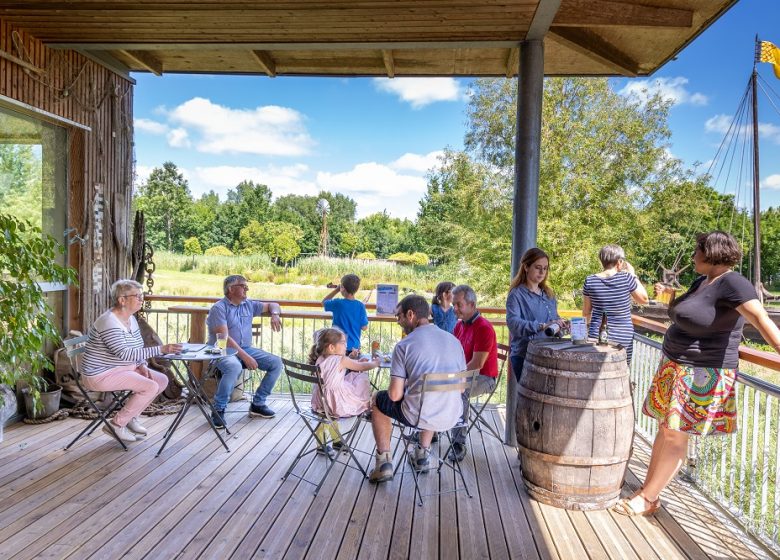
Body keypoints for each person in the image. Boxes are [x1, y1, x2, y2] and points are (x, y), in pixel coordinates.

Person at [613, 231, 780, 516]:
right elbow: (691, 314)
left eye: (696, 251)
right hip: (676, 366)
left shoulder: (733, 283)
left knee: (677, 435)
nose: (692, 257)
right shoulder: (703, 281)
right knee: (666, 431)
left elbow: (760, 319)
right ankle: (646, 492)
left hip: (702, 373)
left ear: (711, 252)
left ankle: (648, 498)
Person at [368, 295, 467, 483]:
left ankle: (384, 464)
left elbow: (395, 396)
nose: (398, 321)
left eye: (399, 316)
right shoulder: (453, 341)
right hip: (452, 415)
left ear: (411, 314)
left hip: (419, 415)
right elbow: (461, 389)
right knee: (428, 397)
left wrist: (404, 386)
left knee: (378, 399)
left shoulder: (404, 345)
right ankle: (422, 455)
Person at [81, 279, 182, 443]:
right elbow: (124, 354)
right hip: (100, 375)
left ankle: (131, 417)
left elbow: (137, 346)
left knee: (161, 380)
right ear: (122, 300)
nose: (142, 299)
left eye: (142, 295)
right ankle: (116, 425)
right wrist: (161, 349)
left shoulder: (131, 319)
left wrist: (141, 364)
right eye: (137, 296)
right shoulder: (109, 321)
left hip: (121, 368)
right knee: (150, 386)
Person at [206, 274, 283, 428]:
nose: (246, 288)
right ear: (230, 289)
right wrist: (245, 357)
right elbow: (224, 338)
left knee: (276, 363)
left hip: (246, 348)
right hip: (222, 350)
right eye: (242, 285)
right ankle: (218, 408)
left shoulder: (248, 304)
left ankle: (258, 404)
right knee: (234, 366)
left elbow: (274, 304)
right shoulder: (218, 308)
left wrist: (274, 315)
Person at [308, 327, 379, 458]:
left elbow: (335, 371)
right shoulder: (341, 360)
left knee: (326, 414)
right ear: (331, 347)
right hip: (337, 403)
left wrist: (351, 359)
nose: (346, 345)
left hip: (320, 402)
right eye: (343, 342)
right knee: (361, 378)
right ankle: (367, 406)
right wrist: (375, 363)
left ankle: (327, 442)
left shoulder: (320, 358)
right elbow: (362, 367)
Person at [449, 284, 498, 462]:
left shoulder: (484, 327)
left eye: (458, 305)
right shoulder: (459, 325)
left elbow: (477, 364)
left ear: (472, 304)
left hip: (485, 377)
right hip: (465, 374)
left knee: (458, 390)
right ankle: (430, 430)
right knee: (435, 385)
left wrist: (453, 378)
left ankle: (458, 443)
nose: (454, 309)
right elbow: (453, 354)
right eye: (454, 304)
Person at [506, 248, 567, 382]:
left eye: (545, 268)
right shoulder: (516, 294)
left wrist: (562, 325)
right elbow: (513, 323)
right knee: (529, 400)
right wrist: (542, 326)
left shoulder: (548, 294)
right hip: (525, 355)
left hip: (548, 353)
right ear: (526, 267)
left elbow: (553, 323)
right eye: (538, 267)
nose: (542, 272)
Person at [582, 244, 649, 364]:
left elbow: (586, 312)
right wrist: (633, 275)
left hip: (596, 334)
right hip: (623, 337)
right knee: (621, 371)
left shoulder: (590, 280)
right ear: (619, 262)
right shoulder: (627, 278)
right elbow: (644, 299)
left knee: (595, 369)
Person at [323, 273, 368, 356]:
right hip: (354, 348)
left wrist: (336, 290)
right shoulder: (360, 306)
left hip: (337, 346)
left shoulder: (338, 303)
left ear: (342, 288)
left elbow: (324, 302)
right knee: (352, 368)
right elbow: (364, 327)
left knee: (337, 368)